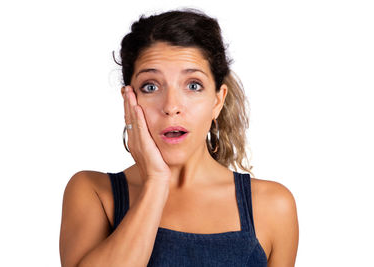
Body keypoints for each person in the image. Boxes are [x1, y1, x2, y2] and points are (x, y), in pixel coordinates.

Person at [59, 8, 299, 267]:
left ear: (217, 101)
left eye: (193, 85)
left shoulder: (273, 206)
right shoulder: (94, 193)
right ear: (129, 100)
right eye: (151, 86)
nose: (171, 106)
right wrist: (156, 182)